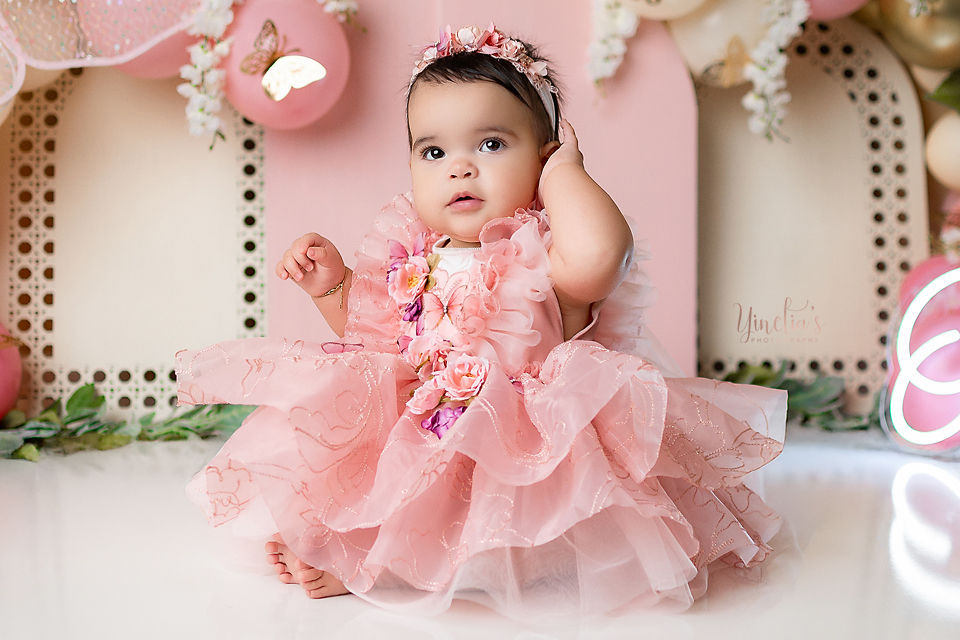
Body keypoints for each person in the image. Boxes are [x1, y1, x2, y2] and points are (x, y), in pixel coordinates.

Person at [176, 23, 787, 616]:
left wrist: (566, 173)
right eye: (433, 150)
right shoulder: (412, 256)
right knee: (375, 469)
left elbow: (603, 258)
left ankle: (374, 570)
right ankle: (359, 547)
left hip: (520, 452)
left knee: (502, 531)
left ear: (543, 158)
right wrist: (332, 284)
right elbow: (375, 341)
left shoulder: (545, 255)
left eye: (491, 144)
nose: (459, 167)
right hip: (424, 424)